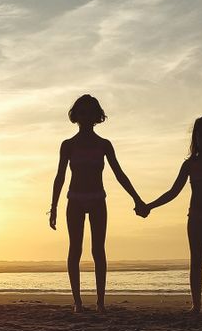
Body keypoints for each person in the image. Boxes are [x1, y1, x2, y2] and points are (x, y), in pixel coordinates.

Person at [50, 94, 146, 313]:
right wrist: (53, 206)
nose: (85, 116)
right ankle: (78, 302)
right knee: (75, 249)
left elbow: (119, 173)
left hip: (97, 199)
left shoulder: (104, 145)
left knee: (98, 250)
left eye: (90, 112)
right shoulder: (68, 145)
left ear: (96, 116)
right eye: (81, 112)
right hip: (74, 199)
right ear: (76, 115)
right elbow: (60, 177)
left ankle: (100, 302)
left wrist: (137, 198)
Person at [140, 115, 202, 313]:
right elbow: (173, 192)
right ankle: (195, 305)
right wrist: (150, 206)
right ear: (195, 138)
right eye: (201, 135)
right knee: (196, 261)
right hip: (195, 218)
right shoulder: (190, 165)